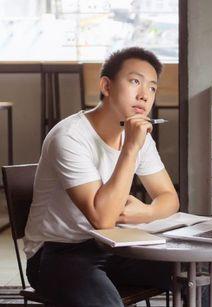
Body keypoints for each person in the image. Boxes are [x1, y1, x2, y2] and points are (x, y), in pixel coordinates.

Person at [24, 47, 180, 306]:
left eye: (152, 88)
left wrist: (146, 213)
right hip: (57, 253)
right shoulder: (70, 136)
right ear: (106, 86)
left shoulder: (139, 136)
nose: (144, 95)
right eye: (134, 82)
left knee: (193, 276)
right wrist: (130, 147)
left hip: (113, 245)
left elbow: (169, 198)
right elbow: (103, 219)